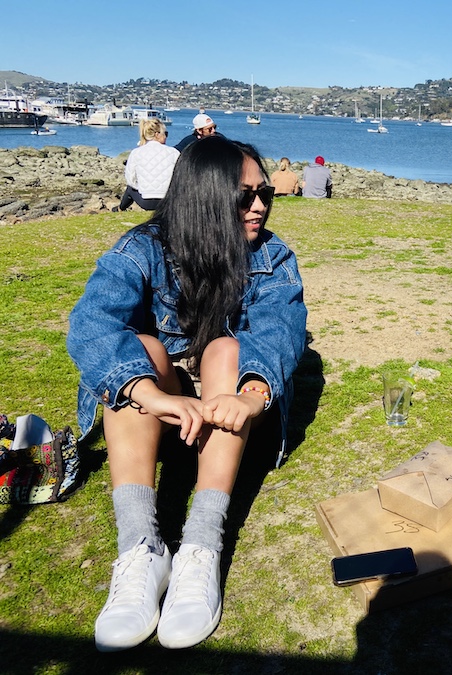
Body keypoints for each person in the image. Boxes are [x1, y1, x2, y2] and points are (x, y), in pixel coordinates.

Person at [68, 136, 307, 652]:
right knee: (141, 347)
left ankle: (201, 542)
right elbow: (91, 324)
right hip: (163, 408)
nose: (261, 205)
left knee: (224, 349)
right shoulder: (140, 249)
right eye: (245, 195)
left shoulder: (272, 255)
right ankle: (141, 547)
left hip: (235, 408)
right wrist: (150, 395)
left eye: (264, 192)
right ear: (205, 195)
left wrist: (252, 394)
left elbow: (278, 328)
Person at [116, 119, 179, 212]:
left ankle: (120, 208)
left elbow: (131, 180)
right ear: (157, 134)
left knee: (130, 189)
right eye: (165, 133)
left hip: (145, 202)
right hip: (168, 201)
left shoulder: (136, 153)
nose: (166, 136)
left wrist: (143, 188)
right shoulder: (173, 152)